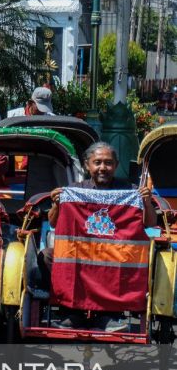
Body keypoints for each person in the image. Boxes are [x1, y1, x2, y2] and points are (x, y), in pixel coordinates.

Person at [45, 142, 156, 333]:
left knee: (132, 259)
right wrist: (57, 204)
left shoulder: (130, 190)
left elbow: (150, 224)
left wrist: (145, 202)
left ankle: (110, 315)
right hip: (80, 252)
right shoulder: (75, 189)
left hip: (116, 253)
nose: (102, 168)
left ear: (115, 165)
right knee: (47, 256)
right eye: (97, 163)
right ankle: (72, 312)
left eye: (108, 163)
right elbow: (54, 223)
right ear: (87, 165)